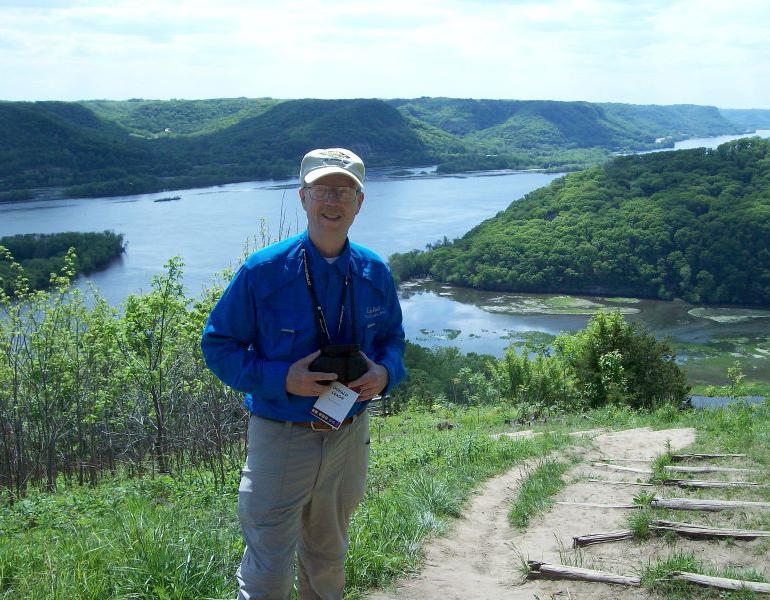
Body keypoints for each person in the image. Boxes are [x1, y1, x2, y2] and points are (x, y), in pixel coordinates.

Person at [201, 147, 406, 599]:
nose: (332, 202)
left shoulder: (373, 271)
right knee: (269, 571)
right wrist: (281, 378)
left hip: (349, 433)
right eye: (323, 191)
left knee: (328, 559)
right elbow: (217, 346)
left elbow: (393, 339)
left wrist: (384, 373)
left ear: (359, 202)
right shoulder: (263, 271)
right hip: (281, 434)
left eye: (344, 191)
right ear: (303, 198)